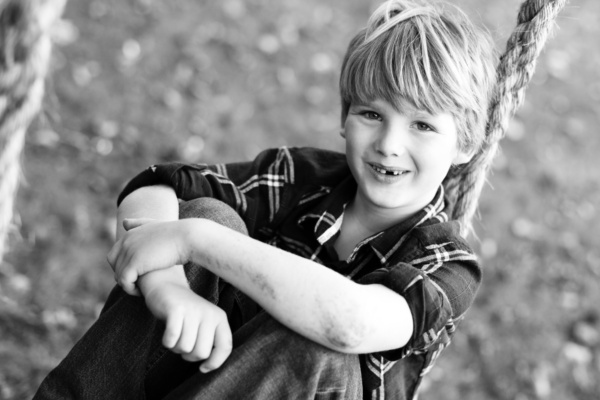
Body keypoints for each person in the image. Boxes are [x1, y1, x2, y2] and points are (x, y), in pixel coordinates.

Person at [34, 0, 498, 398]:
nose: (389, 144)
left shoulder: (448, 265)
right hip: (211, 376)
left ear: (465, 145)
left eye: (422, 125)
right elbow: (155, 188)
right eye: (372, 113)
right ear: (344, 117)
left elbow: (346, 323)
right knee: (207, 210)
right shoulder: (304, 177)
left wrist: (194, 239)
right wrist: (169, 288)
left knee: (316, 350)